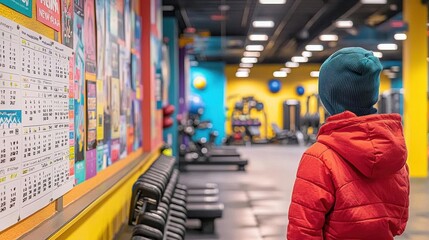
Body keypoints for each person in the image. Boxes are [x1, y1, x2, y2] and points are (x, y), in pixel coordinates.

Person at [287, 47, 409, 239]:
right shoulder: (397, 155)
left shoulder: (318, 158)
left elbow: (302, 231)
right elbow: (400, 221)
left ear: (328, 98)